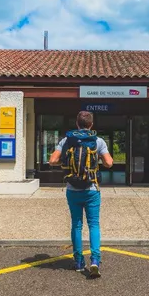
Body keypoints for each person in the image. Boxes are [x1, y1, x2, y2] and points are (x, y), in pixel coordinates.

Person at [49, 111, 113, 278]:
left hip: (72, 189)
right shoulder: (97, 141)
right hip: (91, 189)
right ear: (91, 125)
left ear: (77, 124)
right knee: (94, 224)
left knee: (76, 225)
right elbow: (109, 163)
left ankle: (78, 261)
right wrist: (97, 157)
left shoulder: (66, 140)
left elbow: (52, 160)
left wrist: (66, 159)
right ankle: (95, 261)